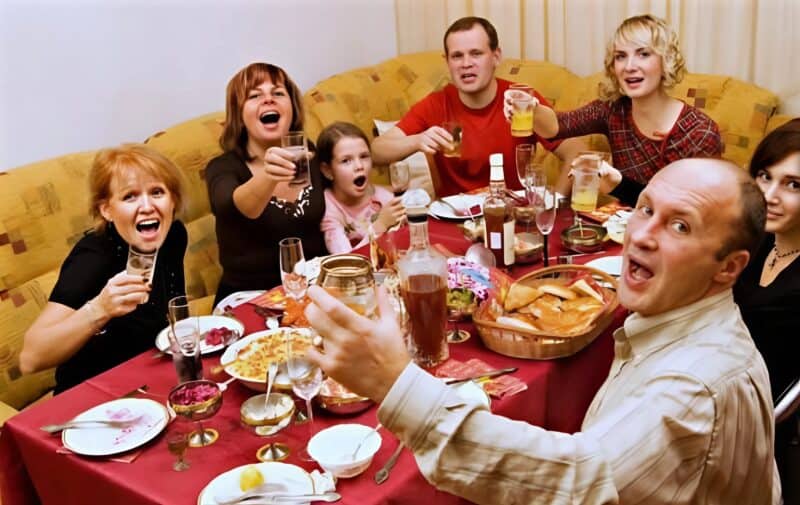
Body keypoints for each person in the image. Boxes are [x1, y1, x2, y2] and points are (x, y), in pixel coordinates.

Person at [305, 158, 781, 504]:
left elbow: (581, 481)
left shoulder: (695, 384)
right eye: (645, 209)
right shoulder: (677, 320)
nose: (640, 235)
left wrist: (395, 383)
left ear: (729, 267)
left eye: (680, 226)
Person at [20, 144, 187, 394]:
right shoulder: (93, 258)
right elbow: (30, 359)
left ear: (173, 199)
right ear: (106, 209)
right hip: (92, 397)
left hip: (150, 378)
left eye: (157, 192)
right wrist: (100, 309)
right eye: (130, 196)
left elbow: (172, 313)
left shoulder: (173, 235)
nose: (147, 206)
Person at [510, 14, 722, 203]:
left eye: (643, 54)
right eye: (621, 56)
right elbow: (556, 127)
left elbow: (688, 212)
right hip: (620, 228)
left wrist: (618, 185)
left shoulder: (698, 132)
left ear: (666, 61)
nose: (629, 66)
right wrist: (531, 109)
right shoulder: (613, 110)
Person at [371, 16, 585, 197]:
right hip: (455, 221)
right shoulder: (436, 103)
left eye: (476, 53)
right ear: (447, 62)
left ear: (496, 57)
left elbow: (577, 151)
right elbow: (376, 151)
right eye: (457, 56)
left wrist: (556, 201)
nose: (466, 64)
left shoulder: (521, 100)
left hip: (513, 218)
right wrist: (417, 141)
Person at [205, 62, 327, 306]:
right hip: (250, 298)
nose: (268, 100)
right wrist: (268, 175)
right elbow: (235, 206)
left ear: (292, 108)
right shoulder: (222, 167)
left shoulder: (307, 152)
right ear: (239, 114)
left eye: (278, 93)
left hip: (312, 288)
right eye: (254, 96)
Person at [734, 118, 800, 501]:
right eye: (765, 176)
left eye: (794, 185)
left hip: (753, 428)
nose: (770, 195)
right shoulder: (762, 240)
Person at [317, 122, 404, 254]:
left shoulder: (383, 198)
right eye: (346, 160)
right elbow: (346, 259)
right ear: (327, 170)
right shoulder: (328, 208)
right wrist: (380, 225)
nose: (359, 166)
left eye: (364, 156)